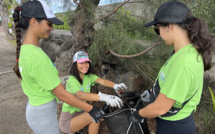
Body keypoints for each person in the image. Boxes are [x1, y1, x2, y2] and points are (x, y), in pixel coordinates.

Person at [12, 0, 104, 134]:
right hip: (44, 114)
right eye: (49, 24)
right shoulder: (37, 57)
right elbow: (62, 95)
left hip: (34, 108)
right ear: (33, 22)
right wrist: (91, 109)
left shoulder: (25, 50)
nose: (52, 28)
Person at [131, 0, 215, 134]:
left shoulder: (183, 62)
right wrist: (153, 91)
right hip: (175, 124)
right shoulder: (185, 51)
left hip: (174, 128)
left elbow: (159, 108)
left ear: (169, 27)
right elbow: (172, 82)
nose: (159, 34)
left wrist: (139, 114)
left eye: (157, 29)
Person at [59, 51, 128, 134]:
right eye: (81, 63)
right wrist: (103, 97)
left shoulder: (88, 77)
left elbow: (103, 82)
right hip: (67, 121)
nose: (85, 65)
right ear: (75, 64)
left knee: (99, 114)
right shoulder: (72, 80)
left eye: (86, 62)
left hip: (81, 112)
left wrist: (115, 86)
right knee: (95, 115)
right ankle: (74, 130)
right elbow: (80, 95)